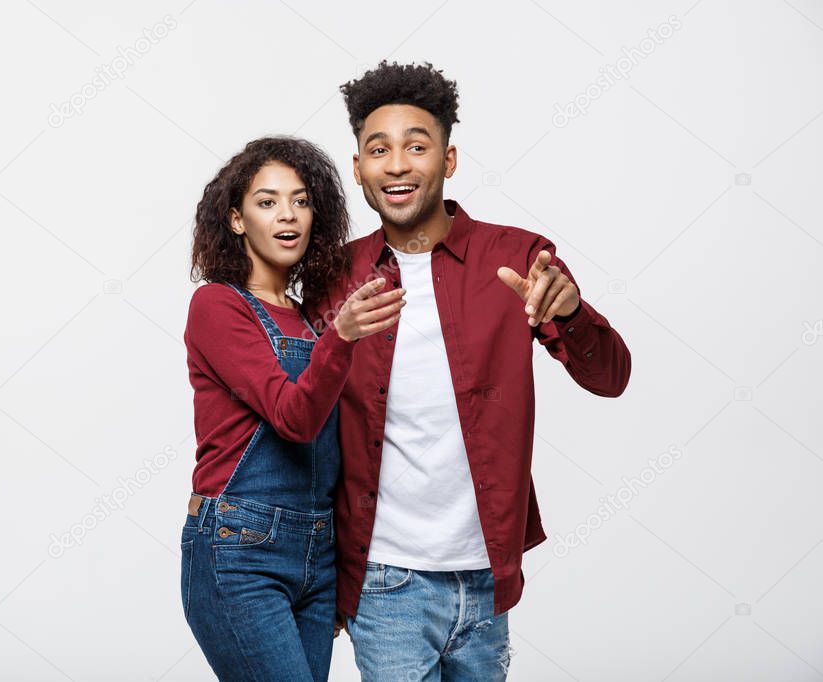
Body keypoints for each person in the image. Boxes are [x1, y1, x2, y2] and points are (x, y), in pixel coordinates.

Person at [304, 62, 632, 681]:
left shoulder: (520, 258)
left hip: (487, 576)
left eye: (417, 146)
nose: (397, 164)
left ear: (448, 160)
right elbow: (299, 417)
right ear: (359, 170)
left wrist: (572, 312)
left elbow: (611, 377)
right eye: (379, 150)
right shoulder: (331, 279)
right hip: (383, 580)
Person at [180, 136, 406, 681]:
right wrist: (344, 337)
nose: (288, 215)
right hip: (240, 550)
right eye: (267, 202)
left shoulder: (312, 319)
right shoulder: (218, 305)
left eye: (301, 201)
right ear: (236, 220)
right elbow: (294, 417)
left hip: (317, 550)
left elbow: (347, 442)